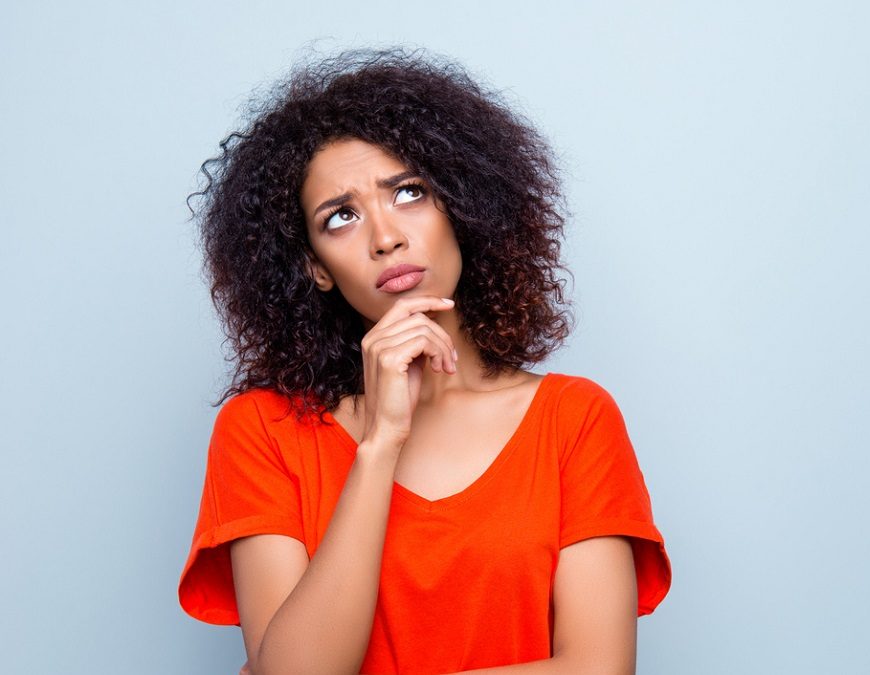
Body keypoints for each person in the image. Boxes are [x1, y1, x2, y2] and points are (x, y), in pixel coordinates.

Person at [176, 47, 672, 675]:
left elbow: (600, 669)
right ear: (315, 270)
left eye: (409, 192)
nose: (385, 236)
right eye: (341, 218)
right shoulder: (262, 432)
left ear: (462, 208)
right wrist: (381, 444)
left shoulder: (573, 419)